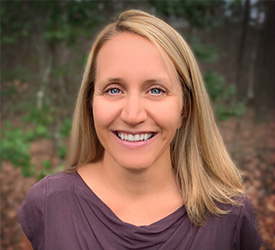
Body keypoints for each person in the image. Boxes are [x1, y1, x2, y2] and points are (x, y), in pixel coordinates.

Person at [18, 9, 262, 250]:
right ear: (90, 102)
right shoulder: (48, 204)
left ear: (184, 108)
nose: (132, 115)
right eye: (114, 89)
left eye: (156, 90)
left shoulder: (230, 216)